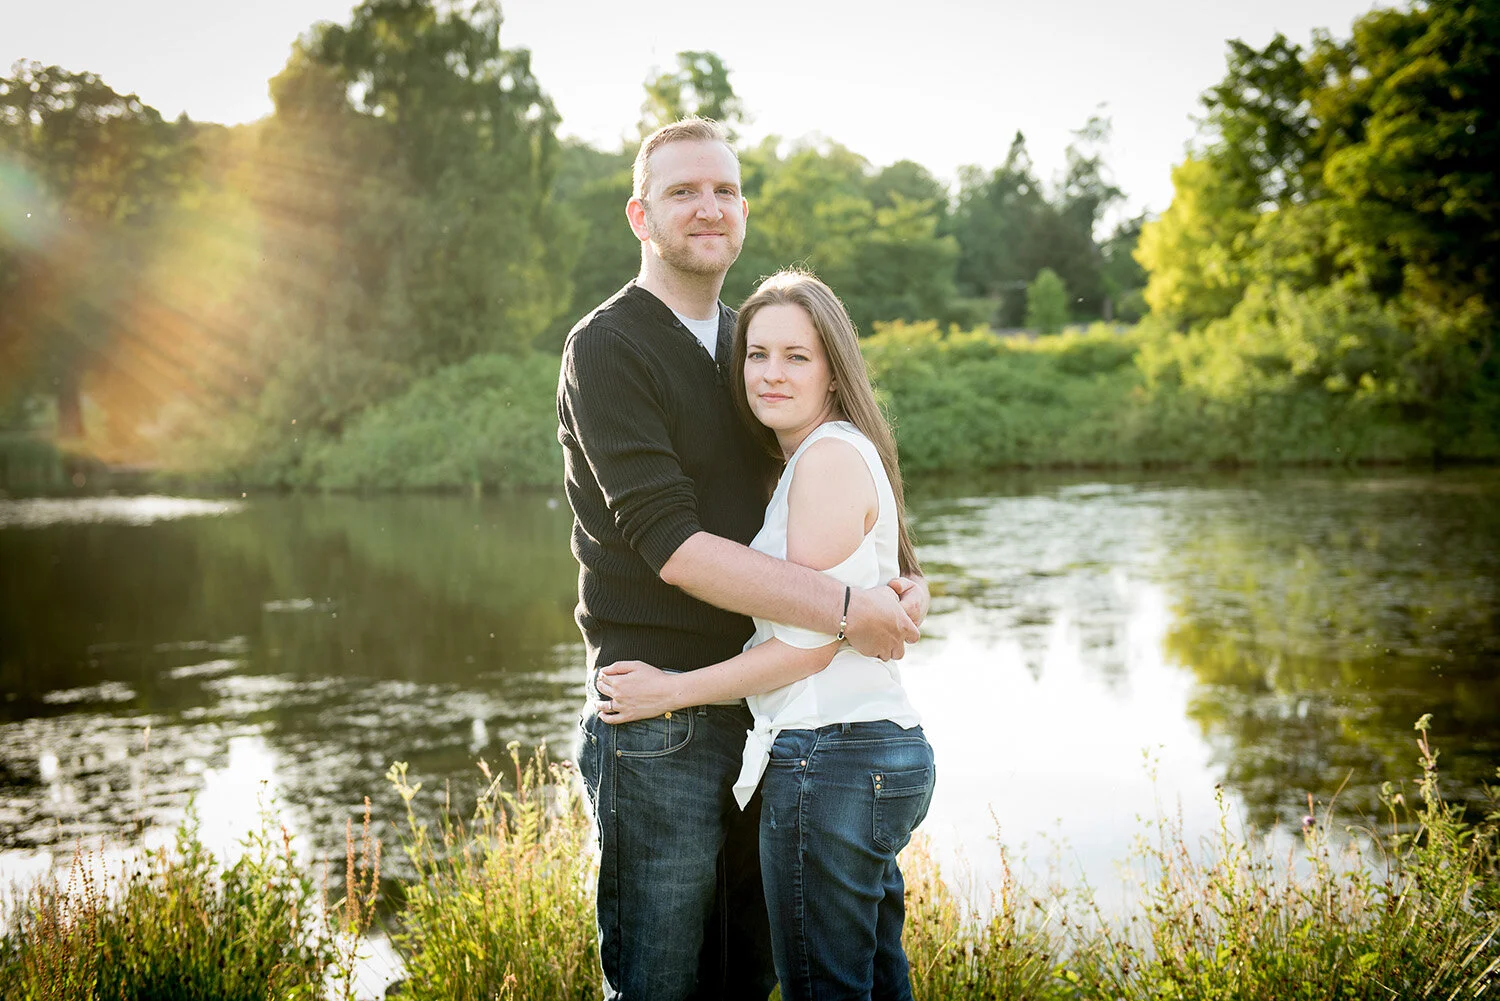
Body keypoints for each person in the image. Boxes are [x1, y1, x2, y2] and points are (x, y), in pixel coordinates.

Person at [557, 118, 929, 1001]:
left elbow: (829, 473)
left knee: (749, 973)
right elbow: (676, 549)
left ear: (745, 210)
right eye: (683, 191)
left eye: (724, 190)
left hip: (778, 719)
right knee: (660, 981)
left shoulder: (752, 341)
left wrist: (895, 571)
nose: (708, 208)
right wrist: (848, 609)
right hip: (662, 715)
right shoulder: (608, 346)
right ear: (640, 215)